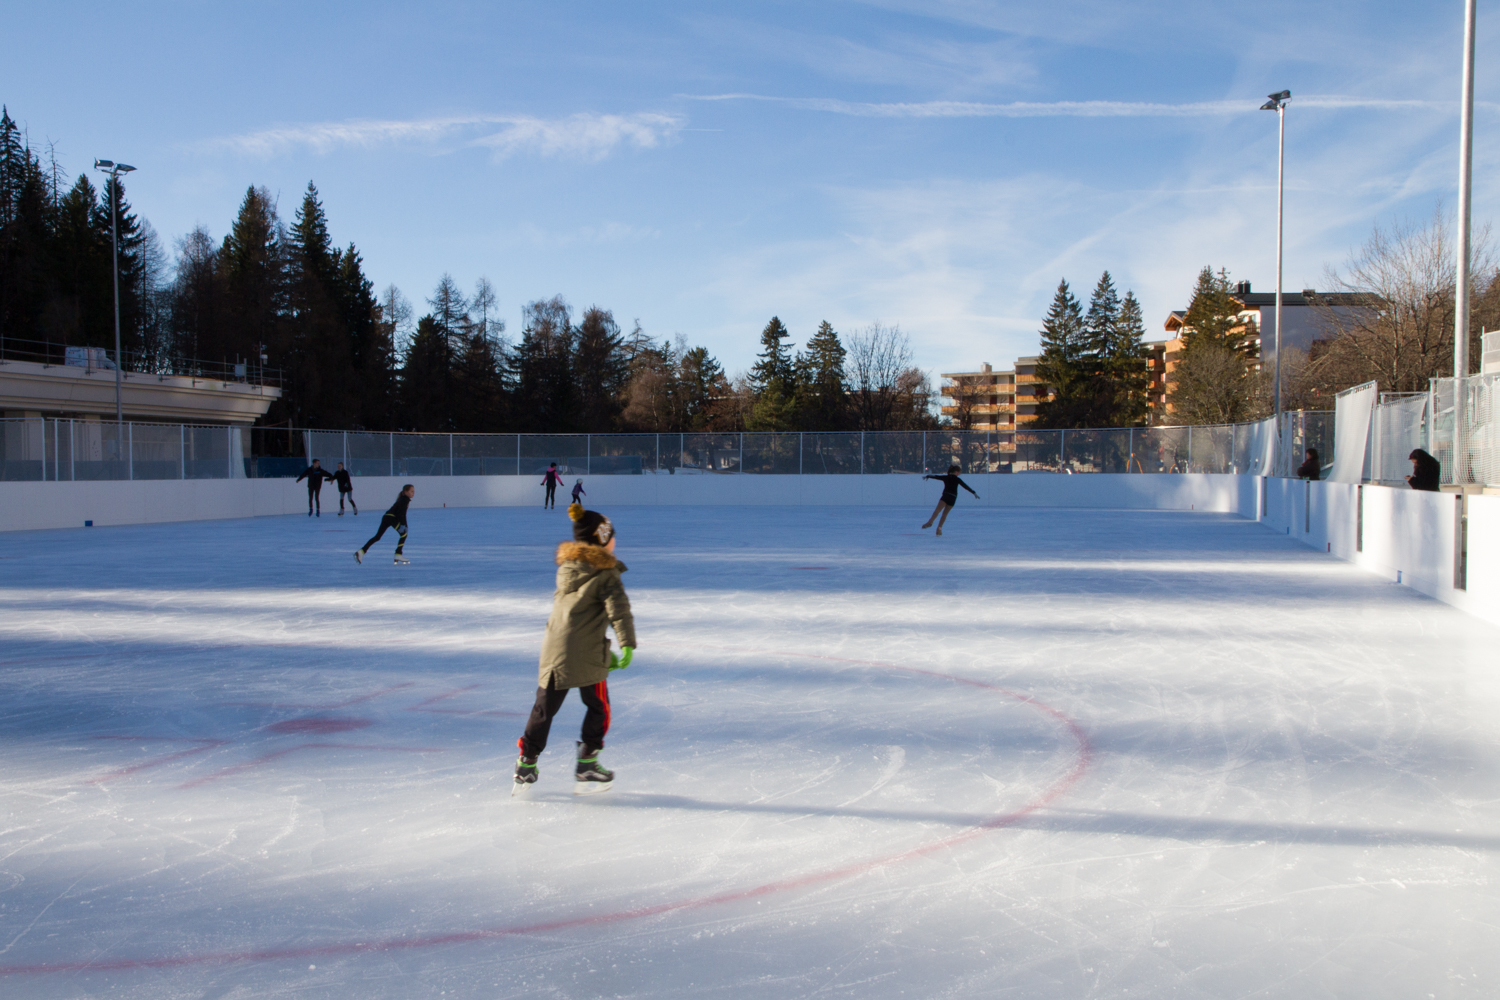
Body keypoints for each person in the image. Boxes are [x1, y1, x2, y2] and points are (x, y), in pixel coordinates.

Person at [514, 502, 637, 796]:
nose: (615, 541)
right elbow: (619, 610)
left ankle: (526, 762)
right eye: (611, 536)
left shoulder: (567, 568)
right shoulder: (606, 573)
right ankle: (588, 761)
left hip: (554, 651)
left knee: (544, 709)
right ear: (601, 540)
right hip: (586, 655)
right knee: (599, 706)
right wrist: (627, 644)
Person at [355, 484, 414, 564]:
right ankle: (398, 554)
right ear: (406, 492)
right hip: (391, 518)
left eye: (413, 491)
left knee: (377, 537)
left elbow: (400, 513)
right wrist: (404, 525)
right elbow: (401, 514)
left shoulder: (402, 499)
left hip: (386, 517)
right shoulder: (405, 500)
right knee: (404, 535)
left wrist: (403, 524)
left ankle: (361, 551)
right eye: (411, 491)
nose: (413, 493)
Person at [921, 464, 980, 536]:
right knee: (944, 514)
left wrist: (928, 476)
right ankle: (939, 529)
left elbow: (937, 477)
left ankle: (930, 522)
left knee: (937, 510)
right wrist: (973, 492)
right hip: (953, 498)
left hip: (946, 496)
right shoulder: (957, 479)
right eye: (959, 472)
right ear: (956, 472)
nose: (959, 474)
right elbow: (965, 486)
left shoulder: (946, 477)